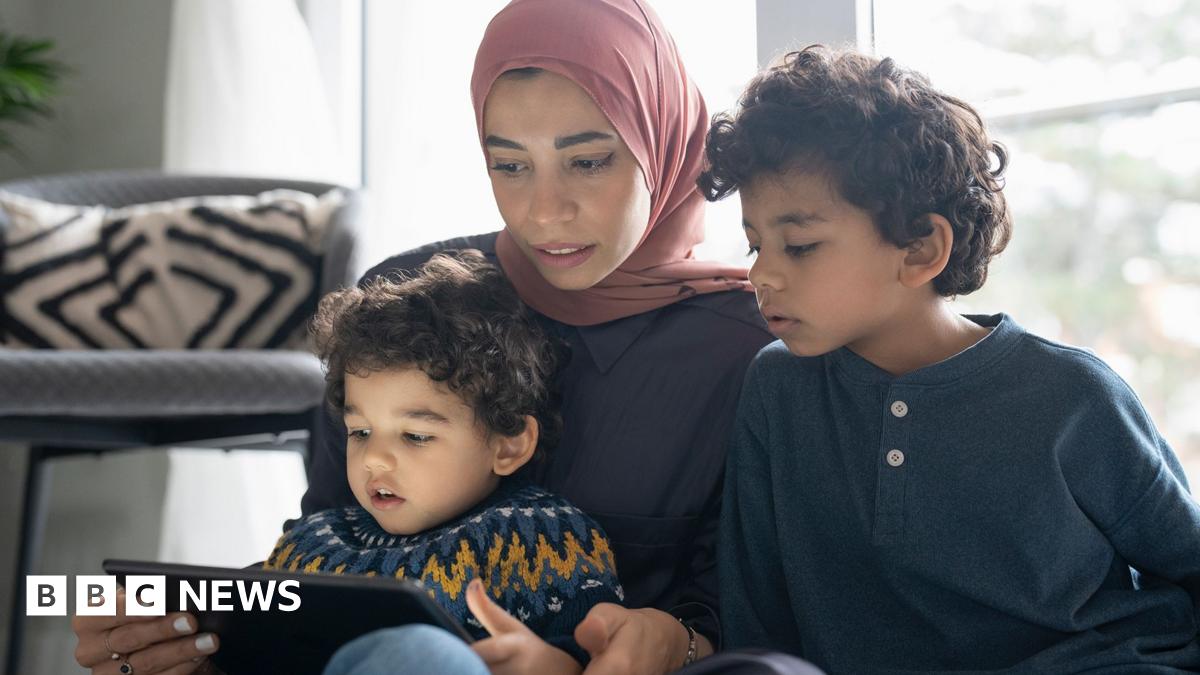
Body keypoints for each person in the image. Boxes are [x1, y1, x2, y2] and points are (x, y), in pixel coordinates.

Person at [71, 1, 772, 673]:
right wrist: (199, 649)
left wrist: (674, 643)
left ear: (662, 139)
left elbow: (752, 614)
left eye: (587, 161)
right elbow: (327, 563)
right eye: (509, 164)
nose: (544, 212)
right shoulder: (410, 299)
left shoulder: (748, 349)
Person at [702, 45, 1200, 674]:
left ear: (920, 250)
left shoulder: (1073, 395)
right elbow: (756, 615)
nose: (761, 275)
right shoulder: (778, 387)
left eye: (799, 246)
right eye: (754, 245)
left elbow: (1186, 562)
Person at [264, 250, 623, 674]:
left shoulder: (546, 538)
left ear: (508, 447)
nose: (373, 458)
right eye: (359, 432)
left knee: (425, 654)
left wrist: (554, 666)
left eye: (416, 436)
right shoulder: (310, 542)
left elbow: (601, 656)